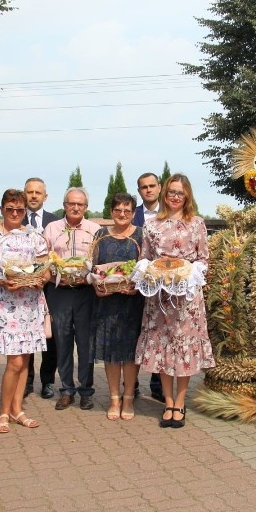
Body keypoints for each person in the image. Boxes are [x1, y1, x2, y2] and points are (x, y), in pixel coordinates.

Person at [135, 174, 215, 428]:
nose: (175, 197)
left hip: (186, 300)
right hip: (159, 298)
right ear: (164, 194)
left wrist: (187, 272)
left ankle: (180, 403)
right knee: (163, 349)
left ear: (187, 195)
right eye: (171, 192)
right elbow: (145, 258)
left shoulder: (197, 224)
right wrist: (151, 270)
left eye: (180, 193)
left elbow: (204, 260)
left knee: (184, 349)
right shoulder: (152, 225)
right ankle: (167, 402)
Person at [0, 189, 50, 433]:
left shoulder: (35, 236)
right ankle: (4, 411)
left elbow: (45, 269)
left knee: (25, 358)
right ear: (2, 210)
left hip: (30, 305)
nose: (15, 213)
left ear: (25, 211)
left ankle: (18, 409)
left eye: (19, 209)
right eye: (10, 209)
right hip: (4, 306)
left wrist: (41, 280)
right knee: (14, 361)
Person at [43, 187, 101, 411]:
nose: (75, 208)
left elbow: (98, 263)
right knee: (62, 342)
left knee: (86, 344)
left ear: (86, 207)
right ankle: (67, 390)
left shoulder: (95, 230)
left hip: (86, 293)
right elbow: (44, 259)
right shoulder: (52, 228)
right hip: (59, 293)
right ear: (64, 205)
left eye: (80, 204)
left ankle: (86, 390)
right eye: (71, 203)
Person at [91, 192, 145, 421]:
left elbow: (147, 267)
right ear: (111, 211)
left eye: (127, 211)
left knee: (131, 353)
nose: (122, 215)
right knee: (112, 353)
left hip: (133, 302)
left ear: (133, 213)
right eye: (117, 210)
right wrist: (96, 284)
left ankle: (129, 397)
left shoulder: (142, 236)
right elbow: (92, 267)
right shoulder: (101, 235)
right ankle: (114, 398)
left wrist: (138, 285)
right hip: (107, 302)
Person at [21, 177, 58, 399]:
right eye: (29, 192)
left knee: (50, 336)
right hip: (23, 289)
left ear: (45, 196)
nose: (33, 196)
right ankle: (26, 380)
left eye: (38, 192)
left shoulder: (55, 223)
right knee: (25, 335)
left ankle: (47, 381)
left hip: (50, 288)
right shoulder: (15, 219)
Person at [132, 172, 163, 401]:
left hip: (162, 285)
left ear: (159, 187)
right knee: (134, 332)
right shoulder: (133, 214)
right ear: (139, 190)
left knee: (160, 333)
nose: (148, 190)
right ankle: (130, 384)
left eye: (152, 186)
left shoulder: (169, 212)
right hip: (136, 285)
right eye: (144, 187)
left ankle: (158, 384)